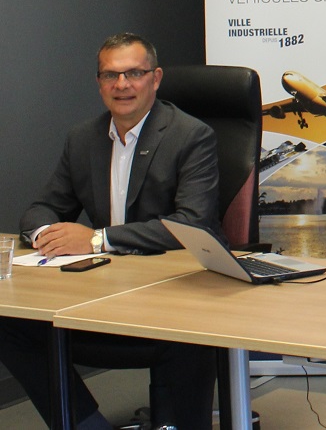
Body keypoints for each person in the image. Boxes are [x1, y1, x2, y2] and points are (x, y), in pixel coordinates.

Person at [0, 33, 221, 430]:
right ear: (99, 83)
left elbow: (193, 224)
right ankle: (86, 424)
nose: (122, 85)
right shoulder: (84, 138)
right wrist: (49, 233)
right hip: (102, 291)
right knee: (9, 325)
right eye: (110, 75)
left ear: (155, 78)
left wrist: (95, 238)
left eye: (134, 73)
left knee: (195, 336)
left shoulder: (191, 136)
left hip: (172, 295)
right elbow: (40, 209)